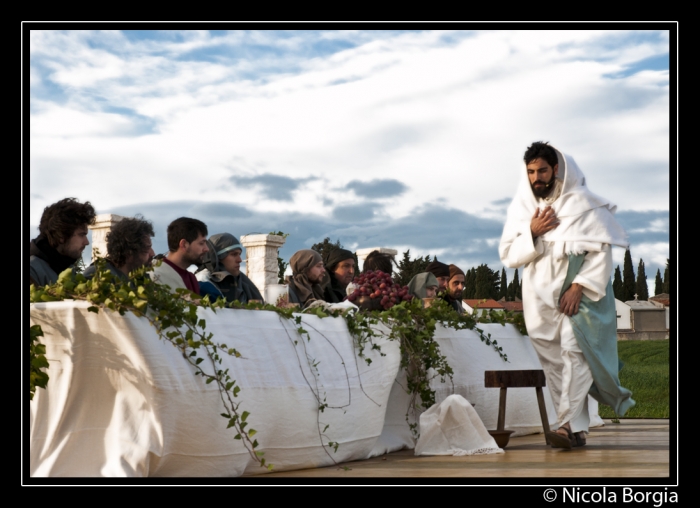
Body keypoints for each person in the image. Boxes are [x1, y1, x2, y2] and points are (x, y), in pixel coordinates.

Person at [499, 141, 634, 450]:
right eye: (531, 171)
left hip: (578, 297)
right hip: (537, 299)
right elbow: (509, 256)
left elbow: (600, 252)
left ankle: (564, 426)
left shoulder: (581, 204)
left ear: (556, 169)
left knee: (578, 355)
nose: (537, 178)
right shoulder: (522, 208)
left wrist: (579, 286)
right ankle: (578, 429)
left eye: (542, 170)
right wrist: (531, 231)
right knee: (555, 363)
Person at [30, 198, 96, 286]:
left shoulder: (64, 265)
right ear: (61, 236)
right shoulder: (32, 270)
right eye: (81, 235)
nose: (87, 242)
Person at [195, 233, 263, 305]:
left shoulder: (243, 282)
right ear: (218, 257)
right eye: (234, 254)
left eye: (239, 254)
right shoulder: (202, 281)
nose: (239, 260)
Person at [83, 215, 155, 282]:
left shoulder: (140, 280)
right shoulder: (98, 278)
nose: (153, 254)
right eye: (146, 250)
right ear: (129, 252)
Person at [150, 217, 208, 295]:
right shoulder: (155, 275)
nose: (206, 249)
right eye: (201, 243)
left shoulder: (191, 278)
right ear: (184, 245)